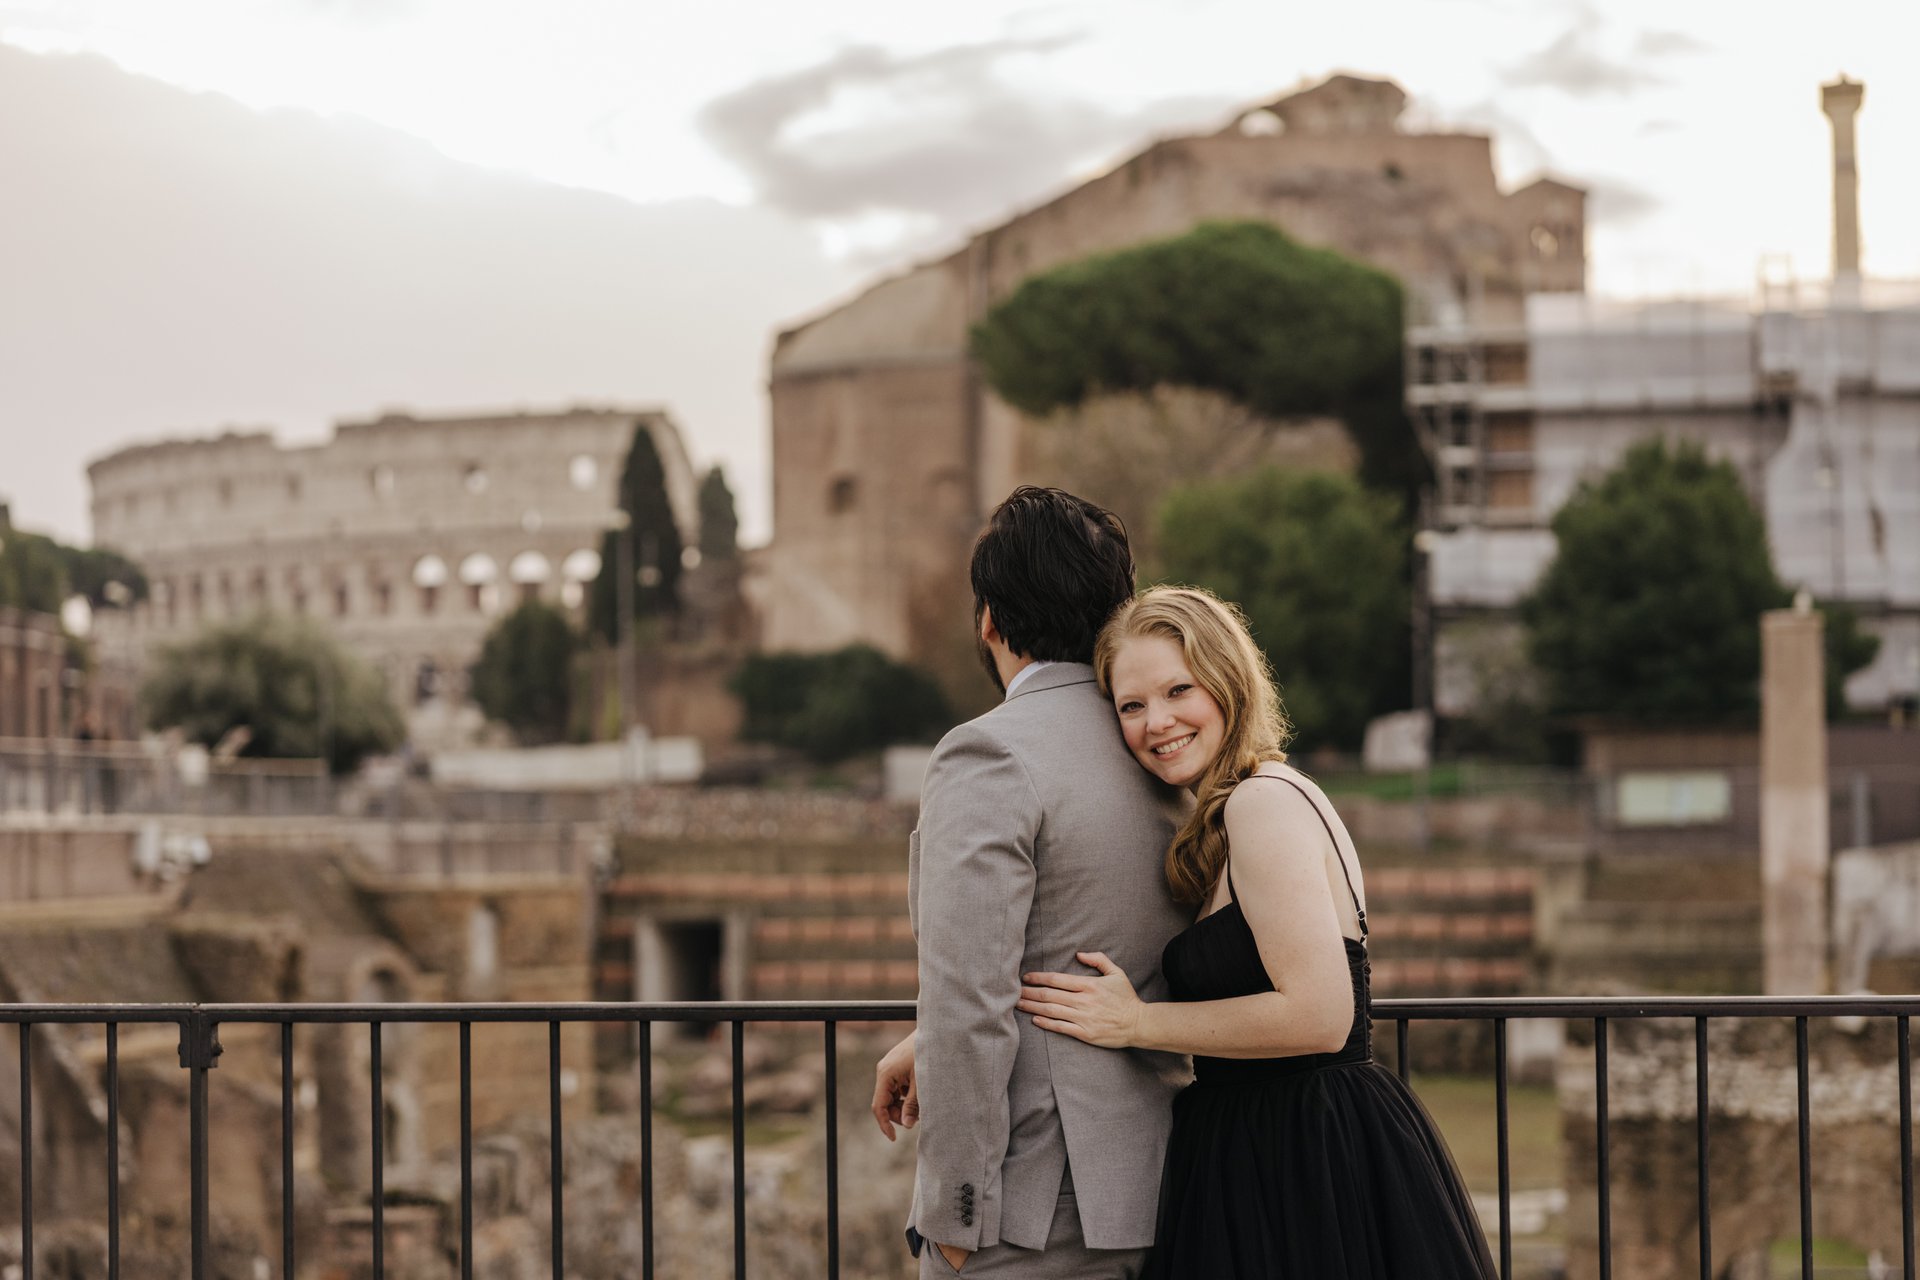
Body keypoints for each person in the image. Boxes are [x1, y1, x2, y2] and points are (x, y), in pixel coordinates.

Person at [1017, 586, 1497, 1279]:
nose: (1157, 722)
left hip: (1306, 1156)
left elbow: (1319, 1016)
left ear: (1228, 682)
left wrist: (1137, 1023)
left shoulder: (1261, 803)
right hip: (1266, 1147)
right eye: (1131, 705)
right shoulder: (1223, 818)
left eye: (1178, 690)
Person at [872, 487, 1193, 1278]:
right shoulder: (1158, 744)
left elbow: (969, 999)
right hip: (1163, 1183)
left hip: (1030, 1207)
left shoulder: (988, 753)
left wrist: (956, 1216)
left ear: (989, 620)